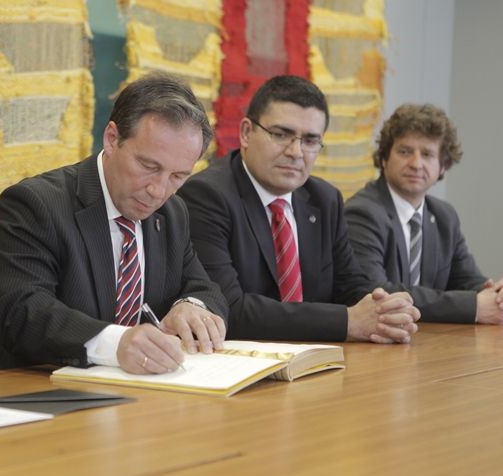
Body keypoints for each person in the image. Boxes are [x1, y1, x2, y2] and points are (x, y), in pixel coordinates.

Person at [0, 74, 228, 374]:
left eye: (178, 176)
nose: (159, 191)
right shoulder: (36, 204)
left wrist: (192, 306)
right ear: (111, 139)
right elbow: (23, 313)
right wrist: (116, 343)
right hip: (38, 386)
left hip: (139, 390)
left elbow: (204, 287)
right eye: (149, 166)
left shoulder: (172, 213)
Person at [177, 75, 419, 343]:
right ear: (246, 133)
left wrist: (384, 311)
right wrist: (347, 321)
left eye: (310, 140)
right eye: (281, 135)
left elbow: (350, 286)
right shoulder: (207, 196)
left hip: (319, 357)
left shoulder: (325, 199)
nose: (296, 151)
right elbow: (227, 307)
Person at [344, 104, 503, 324]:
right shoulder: (363, 212)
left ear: (443, 166)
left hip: (429, 338)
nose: (416, 164)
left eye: (427, 154)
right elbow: (375, 292)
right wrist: (473, 307)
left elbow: (468, 280)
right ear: (384, 158)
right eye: (405, 152)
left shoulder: (444, 216)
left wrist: (496, 295)